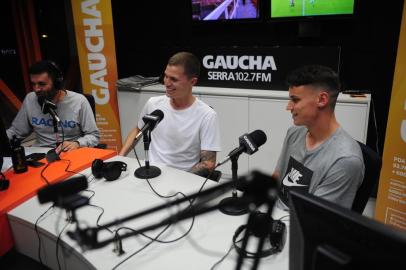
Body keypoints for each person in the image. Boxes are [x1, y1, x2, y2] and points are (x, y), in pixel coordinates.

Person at [273, 65, 364, 210]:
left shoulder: (346, 159)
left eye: (295, 100)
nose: (288, 107)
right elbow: (277, 177)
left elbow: (317, 222)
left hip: (298, 227)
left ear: (322, 100)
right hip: (275, 213)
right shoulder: (294, 133)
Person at [120, 52, 221, 175]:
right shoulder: (153, 103)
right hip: (151, 173)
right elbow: (138, 130)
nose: (166, 83)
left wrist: (178, 180)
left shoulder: (207, 115)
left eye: (173, 79)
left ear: (193, 82)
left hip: (182, 180)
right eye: (166, 76)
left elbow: (208, 164)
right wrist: (120, 157)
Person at [6, 60, 100, 152]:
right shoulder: (30, 99)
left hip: (69, 153)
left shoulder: (79, 101)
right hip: (39, 154)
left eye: (41, 84)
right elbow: (16, 132)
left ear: (57, 83)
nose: (36, 89)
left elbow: (94, 136)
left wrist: (77, 143)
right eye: (33, 84)